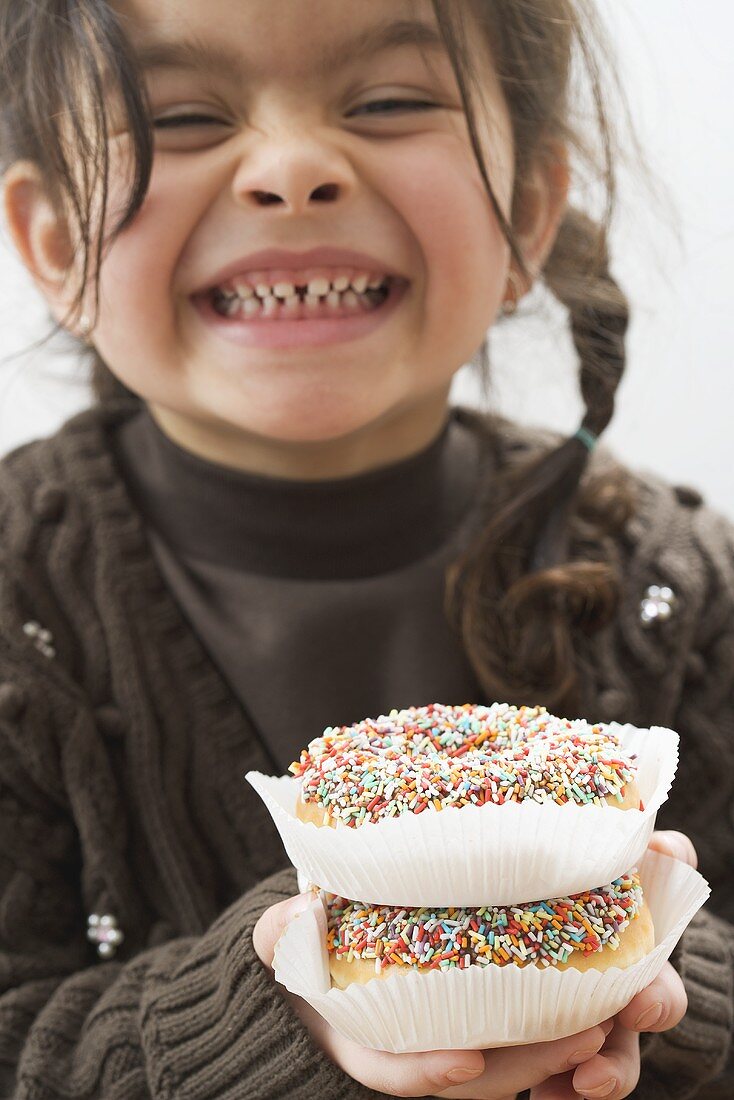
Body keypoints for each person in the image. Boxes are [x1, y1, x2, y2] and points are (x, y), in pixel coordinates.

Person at [0, 0, 730, 1097]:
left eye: (389, 100)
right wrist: (276, 999)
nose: (291, 168)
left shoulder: (675, 587)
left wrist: (661, 974)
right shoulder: (20, 611)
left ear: (529, 208)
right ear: (55, 238)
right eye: (184, 116)